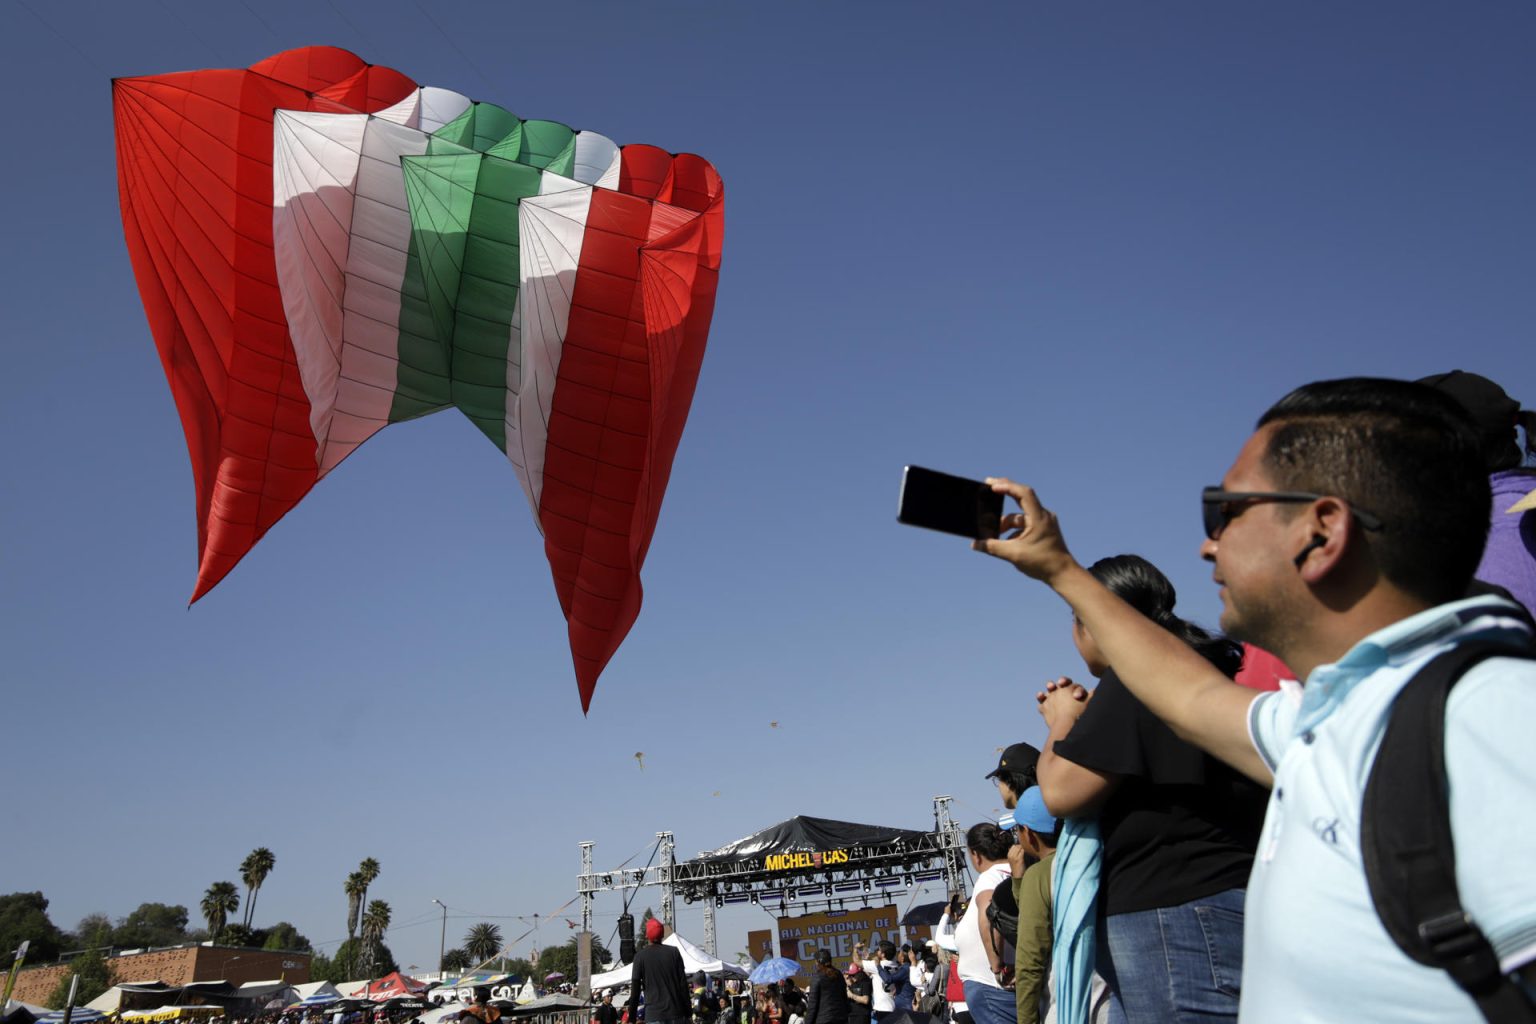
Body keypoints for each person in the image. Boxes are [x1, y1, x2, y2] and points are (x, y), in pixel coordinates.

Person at [973, 376, 1536, 1021]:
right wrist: (1058, 568)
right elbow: (1185, 694)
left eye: (1227, 512)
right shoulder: (1334, 715)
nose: (1206, 545)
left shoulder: (1491, 719)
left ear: (1322, 531)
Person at [1038, 553, 1266, 1023]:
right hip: (1207, 905)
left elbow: (1060, 791)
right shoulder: (1192, 666)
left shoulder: (1135, 679)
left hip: (1173, 916)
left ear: (1092, 621)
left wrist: (1060, 721)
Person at [1004, 790, 1060, 1024]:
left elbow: (1030, 959)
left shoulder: (1039, 874)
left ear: (1029, 833)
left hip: (1065, 1001)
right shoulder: (1088, 856)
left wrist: (1026, 1020)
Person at [956, 823, 1016, 1024]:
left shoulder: (991, 875)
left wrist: (997, 966)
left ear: (976, 854)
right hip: (1002, 989)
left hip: (992, 988)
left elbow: (988, 910)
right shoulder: (1016, 873)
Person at [628, 918, 689, 1024]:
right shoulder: (674, 952)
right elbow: (683, 985)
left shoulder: (640, 957)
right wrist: (688, 1013)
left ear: (647, 935)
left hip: (654, 1015)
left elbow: (635, 992)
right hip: (676, 1013)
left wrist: (632, 1018)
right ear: (662, 935)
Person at [986, 743, 1042, 812]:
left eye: (999, 779)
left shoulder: (1028, 820)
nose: (999, 787)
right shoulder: (1054, 812)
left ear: (1009, 782)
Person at [803, 949, 850, 1024]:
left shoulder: (817, 977)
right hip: (841, 1018)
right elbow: (844, 997)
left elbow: (812, 1004)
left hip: (824, 1019)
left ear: (818, 962)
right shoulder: (839, 974)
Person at [853, 943, 893, 1024]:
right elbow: (871, 974)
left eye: (878, 950)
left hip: (883, 1009)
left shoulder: (877, 965)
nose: (876, 951)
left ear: (883, 954)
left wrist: (855, 948)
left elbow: (856, 961)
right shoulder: (896, 964)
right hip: (895, 1007)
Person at [874, 942, 913, 1014]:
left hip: (905, 1007)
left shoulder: (905, 969)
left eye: (899, 953)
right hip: (904, 1005)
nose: (897, 955)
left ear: (902, 957)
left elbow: (888, 979)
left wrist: (878, 966)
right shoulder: (904, 967)